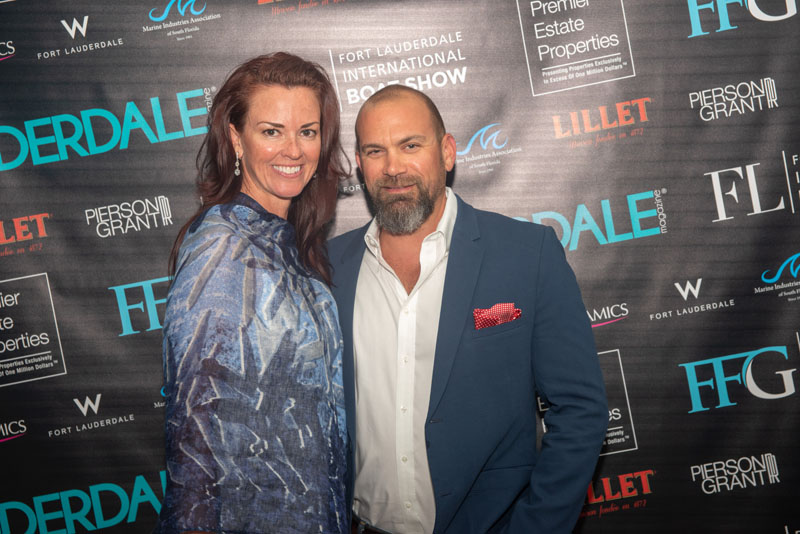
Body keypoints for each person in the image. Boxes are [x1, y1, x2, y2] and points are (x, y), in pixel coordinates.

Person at [327, 85, 608, 534]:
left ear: (447, 151)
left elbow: (580, 410)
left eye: (410, 145)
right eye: (376, 151)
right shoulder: (326, 269)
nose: (393, 167)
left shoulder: (527, 255)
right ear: (360, 163)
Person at [155, 52, 349, 534]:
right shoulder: (223, 247)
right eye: (271, 131)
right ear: (236, 139)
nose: (294, 150)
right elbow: (194, 429)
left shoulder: (289, 242)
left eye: (307, 131)